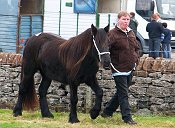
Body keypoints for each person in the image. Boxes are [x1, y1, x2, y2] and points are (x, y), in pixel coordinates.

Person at [101, 11, 140, 125]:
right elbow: (105, 50)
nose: (126, 21)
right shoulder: (112, 34)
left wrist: (136, 59)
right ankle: (127, 117)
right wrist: (109, 63)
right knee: (123, 94)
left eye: (128, 19)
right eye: (124, 19)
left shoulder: (131, 33)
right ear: (118, 19)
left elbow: (136, 48)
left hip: (130, 67)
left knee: (121, 92)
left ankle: (107, 112)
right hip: (118, 68)